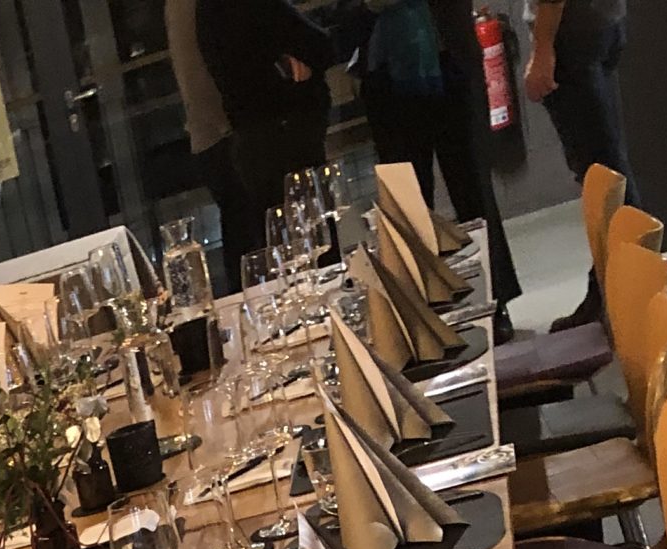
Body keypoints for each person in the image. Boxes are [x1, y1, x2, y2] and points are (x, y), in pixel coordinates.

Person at [342, 0, 521, 316]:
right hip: (387, 77)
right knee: (407, 203)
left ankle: (496, 302)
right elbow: (343, 14)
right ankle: (424, 314)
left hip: (450, 61)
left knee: (473, 191)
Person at [524, 0, 635, 324]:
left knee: (601, 176)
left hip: (571, 36)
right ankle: (623, 288)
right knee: (609, 166)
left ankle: (620, 294)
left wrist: (542, 50)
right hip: (601, 24)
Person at [196, 0, 335, 241]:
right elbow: (321, 46)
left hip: (250, 137)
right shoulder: (254, 6)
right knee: (315, 232)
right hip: (287, 132)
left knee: (277, 236)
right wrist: (295, 68)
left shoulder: (206, 10)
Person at [165, 0, 254, 291]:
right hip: (225, 132)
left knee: (240, 233)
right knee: (249, 239)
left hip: (210, 133)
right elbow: (202, 74)